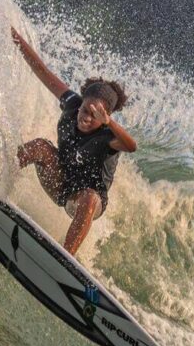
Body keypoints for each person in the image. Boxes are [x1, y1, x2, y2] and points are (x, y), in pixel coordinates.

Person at [11, 27, 137, 256]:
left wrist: (109, 123)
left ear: (105, 117)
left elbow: (132, 146)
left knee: (88, 198)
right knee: (40, 146)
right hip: (60, 182)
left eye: (94, 116)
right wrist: (14, 37)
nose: (86, 118)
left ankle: (64, 258)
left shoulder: (108, 137)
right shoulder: (71, 103)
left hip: (86, 200)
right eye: (84, 110)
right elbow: (41, 70)